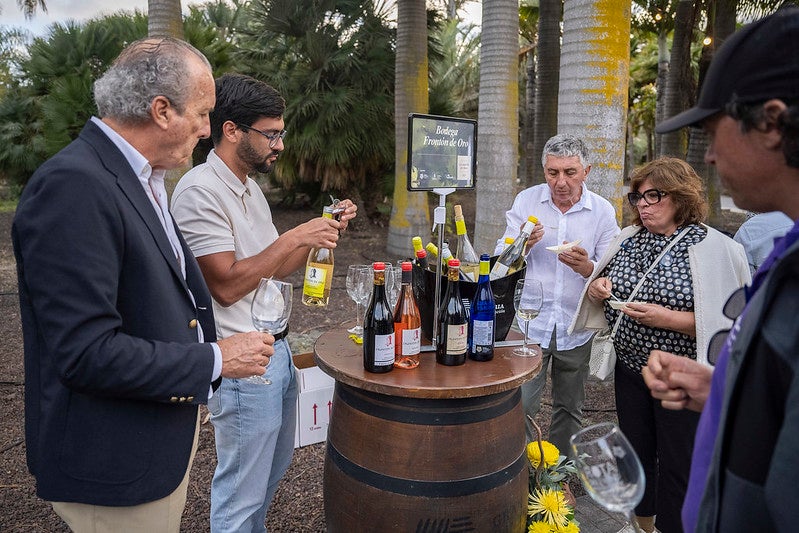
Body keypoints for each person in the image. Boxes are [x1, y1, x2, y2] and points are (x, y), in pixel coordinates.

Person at [11, 38, 275, 533]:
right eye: (202, 113)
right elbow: (86, 353)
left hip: (150, 445)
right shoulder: (74, 185)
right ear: (161, 110)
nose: (207, 129)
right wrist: (216, 359)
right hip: (113, 463)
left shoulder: (140, 178)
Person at [171, 73, 356, 533]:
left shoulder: (249, 187)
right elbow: (226, 286)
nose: (280, 145)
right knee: (241, 494)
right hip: (240, 363)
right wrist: (295, 235)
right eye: (271, 134)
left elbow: (272, 269)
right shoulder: (199, 192)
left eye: (281, 133)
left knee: (268, 477)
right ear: (231, 130)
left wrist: (319, 232)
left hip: (275, 350)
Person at [642, 6, 799, 532]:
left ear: (771, 123)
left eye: (713, 132)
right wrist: (730, 391)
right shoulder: (786, 248)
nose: (708, 156)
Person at [571, 157, 750, 533]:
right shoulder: (628, 237)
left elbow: (734, 325)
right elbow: (603, 282)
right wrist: (598, 287)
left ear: (681, 196)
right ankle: (641, 525)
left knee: (677, 462)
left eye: (654, 195)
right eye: (638, 196)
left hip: (682, 379)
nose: (643, 204)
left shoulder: (717, 249)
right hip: (631, 370)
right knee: (635, 454)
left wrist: (667, 319)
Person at [495, 133, 620, 453]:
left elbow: (613, 268)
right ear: (544, 171)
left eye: (570, 172)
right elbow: (500, 259)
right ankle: (522, 471)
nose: (560, 182)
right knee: (521, 403)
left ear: (586, 171)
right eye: (553, 172)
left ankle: (560, 470)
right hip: (529, 321)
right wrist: (522, 244)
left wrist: (587, 267)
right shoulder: (527, 201)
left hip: (575, 323)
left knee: (570, 407)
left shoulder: (601, 211)